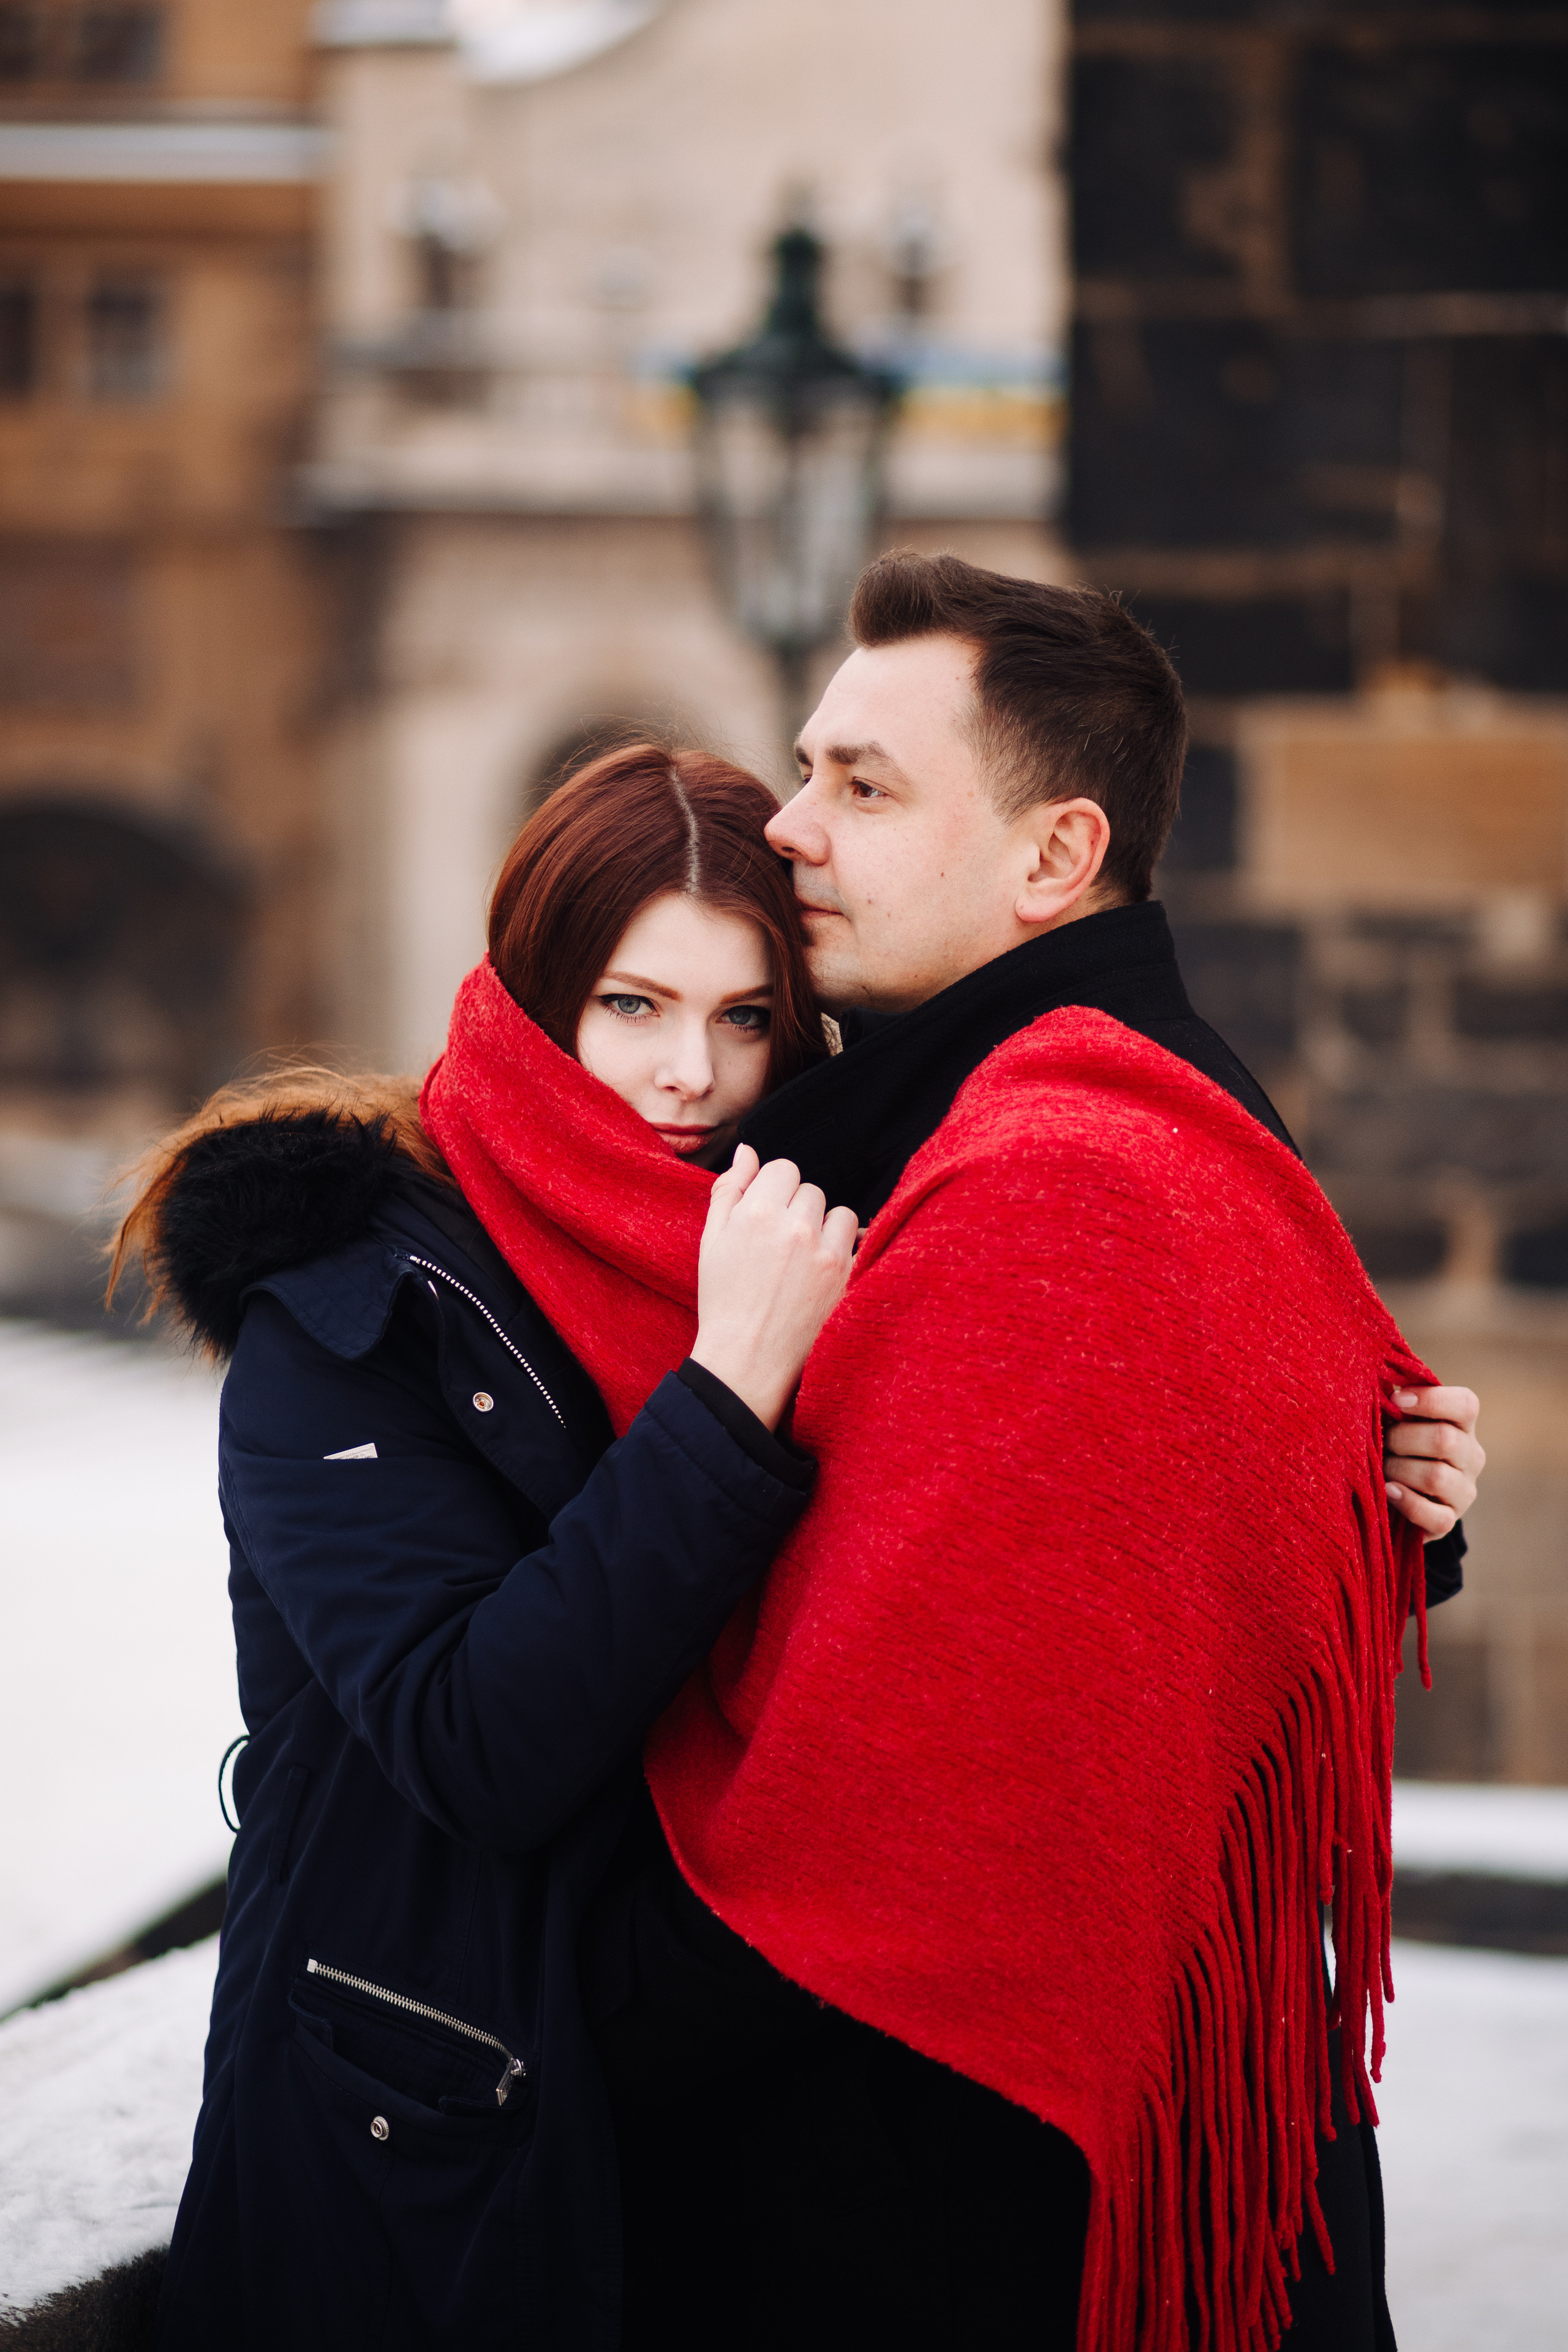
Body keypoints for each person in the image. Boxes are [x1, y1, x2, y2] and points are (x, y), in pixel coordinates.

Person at [432, 553, 1480, 2352]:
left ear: (1054, 858)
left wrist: (586, 2025)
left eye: (863, 786)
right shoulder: (1087, 1099)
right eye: (808, 767)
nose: (790, 834)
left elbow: (877, 1776)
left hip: (966, 2199)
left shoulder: (1059, 1163)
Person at [109, 748, 859, 2349]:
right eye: (631, 1006)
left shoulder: (818, 1259)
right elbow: (477, 1739)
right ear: (535, 999)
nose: (690, 1078)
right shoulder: (348, 1310)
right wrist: (730, 1398)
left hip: (734, 2131)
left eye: (745, 1019)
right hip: (423, 2148)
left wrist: (1369, 1499)